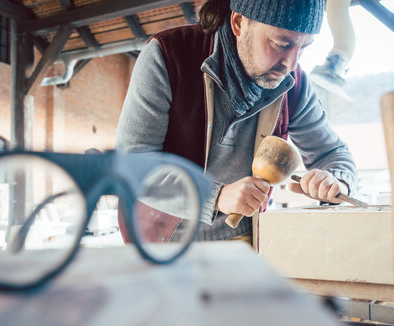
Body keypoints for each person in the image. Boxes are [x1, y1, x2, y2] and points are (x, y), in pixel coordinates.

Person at [116, 0, 356, 243]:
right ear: (239, 22)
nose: (291, 65)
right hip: (159, 240)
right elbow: (133, 162)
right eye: (281, 44)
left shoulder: (293, 83)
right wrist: (215, 196)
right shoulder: (167, 55)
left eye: (304, 47)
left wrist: (336, 181)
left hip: (241, 237)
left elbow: (333, 153)